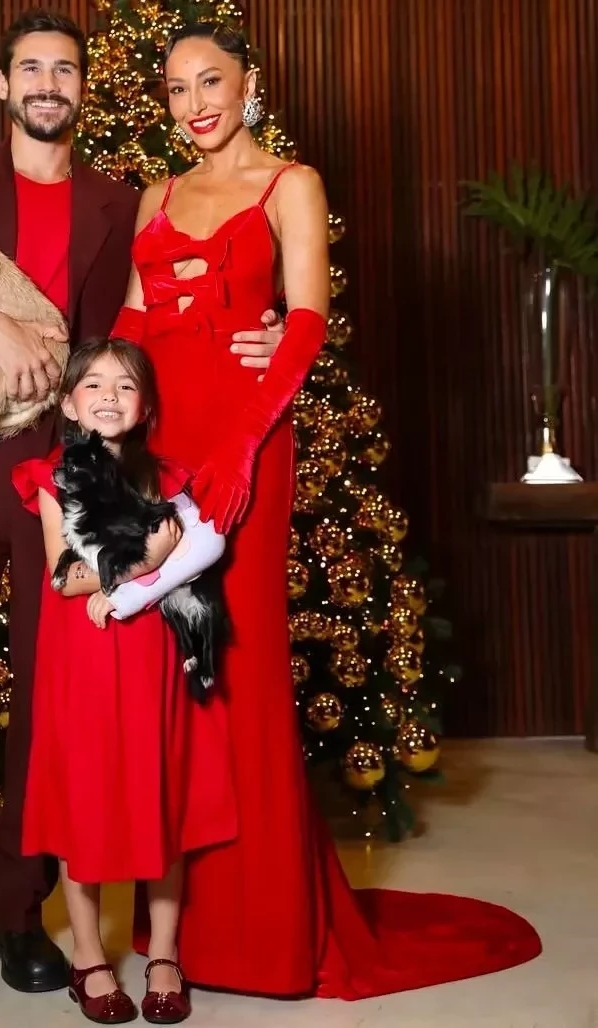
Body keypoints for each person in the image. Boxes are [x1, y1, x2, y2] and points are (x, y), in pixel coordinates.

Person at [0, 10, 284, 1028]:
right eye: (31, 68)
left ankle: (20, 917)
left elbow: (154, 315)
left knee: (56, 707)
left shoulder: (118, 202)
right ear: (4, 86)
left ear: (83, 89)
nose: (49, 82)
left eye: (66, 69)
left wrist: (259, 327)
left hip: (71, 486)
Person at [110, 20, 543, 1001]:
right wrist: (103, 434)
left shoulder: (289, 183)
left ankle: (265, 934)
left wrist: (239, 448)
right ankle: (177, 928)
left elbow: (305, 318)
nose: (194, 104)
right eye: (176, 89)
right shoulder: (156, 195)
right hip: (161, 445)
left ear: (247, 83)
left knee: (242, 667)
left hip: (248, 444)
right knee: (173, 676)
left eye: (210, 81)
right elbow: (132, 320)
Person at [12, 337, 236, 1024]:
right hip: (82, 654)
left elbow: (200, 552)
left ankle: (164, 952)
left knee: (157, 790)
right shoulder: (53, 478)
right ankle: (88, 955)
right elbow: (65, 577)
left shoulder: (166, 478)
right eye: (94, 385)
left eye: (126, 386)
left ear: (145, 408)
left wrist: (152, 566)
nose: (109, 396)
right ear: (68, 403)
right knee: (84, 796)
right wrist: (143, 557)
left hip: (151, 656)